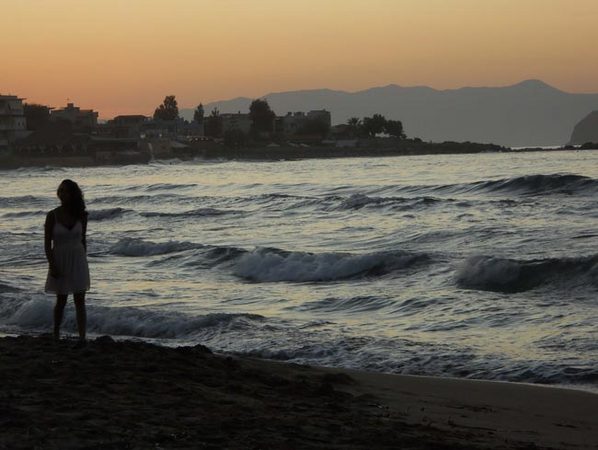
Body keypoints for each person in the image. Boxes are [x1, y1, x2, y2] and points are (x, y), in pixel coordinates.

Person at [44, 179, 90, 345]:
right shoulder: (52, 215)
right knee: (61, 299)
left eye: (66, 191)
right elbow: (47, 244)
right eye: (61, 190)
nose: (62, 194)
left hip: (78, 259)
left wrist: (85, 261)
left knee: (80, 299)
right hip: (60, 258)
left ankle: (82, 336)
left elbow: (83, 240)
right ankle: (56, 332)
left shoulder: (82, 215)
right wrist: (52, 265)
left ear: (73, 194)